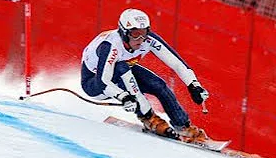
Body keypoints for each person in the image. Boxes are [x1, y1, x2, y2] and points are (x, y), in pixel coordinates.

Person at [81, 8, 210, 142]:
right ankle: (148, 117)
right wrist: (124, 97)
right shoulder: (110, 45)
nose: (141, 40)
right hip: (95, 84)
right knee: (121, 67)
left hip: (123, 73)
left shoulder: (149, 40)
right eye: (135, 34)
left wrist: (193, 85)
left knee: (158, 85)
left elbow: (177, 63)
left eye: (144, 33)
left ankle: (183, 126)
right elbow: (103, 81)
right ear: (124, 33)